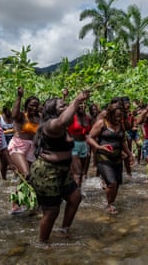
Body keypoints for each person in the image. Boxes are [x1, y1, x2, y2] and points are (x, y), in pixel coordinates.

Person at [28, 90, 90, 244]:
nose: (67, 107)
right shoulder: (51, 125)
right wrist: (76, 100)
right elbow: (63, 120)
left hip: (62, 171)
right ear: (53, 111)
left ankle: (64, 229)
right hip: (47, 172)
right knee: (51, 211)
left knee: (75, 197)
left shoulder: (61, 126)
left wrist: (77, 170)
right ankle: (43, 242)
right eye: (62, 106)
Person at [87, 100, 134, 214]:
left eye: (120, 116)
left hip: (117, 158)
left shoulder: (120, 124)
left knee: (116, 184)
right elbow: (89, 137)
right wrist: (99, 147)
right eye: (116, 116)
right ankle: (108, 205)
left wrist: (129, 154)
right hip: (103, 158)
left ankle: (111, 202)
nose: (118, 119)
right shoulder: (101, 123)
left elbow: (122, 141)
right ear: (110, 114)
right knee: (112, 183)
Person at [8, 87, 41, 214]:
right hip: (18, 145)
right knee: (27, 174)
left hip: (32, 148)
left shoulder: (40, 118)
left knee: (29, 178)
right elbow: (14, 115)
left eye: (36, 106)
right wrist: (19, 96)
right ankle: (17, 204)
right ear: (27, 105)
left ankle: (21, 203)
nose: (34, 108)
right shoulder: (21, 116)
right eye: (32, 105)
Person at [67, 101, 92, 186]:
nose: (82, 106)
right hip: (73, 145)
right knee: (77, 172)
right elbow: (63, 127)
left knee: (81, 173)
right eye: (80, 104)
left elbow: (89, 133)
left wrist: (89, 146)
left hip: (84, 144)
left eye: (84, 104)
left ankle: (78, 192)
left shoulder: (88, 117)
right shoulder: (71, 116)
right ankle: (75, 194)